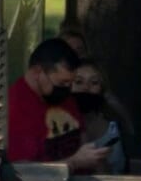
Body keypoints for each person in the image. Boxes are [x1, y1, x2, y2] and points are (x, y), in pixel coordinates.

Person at [6, 36, 106, 170]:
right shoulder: (14, 108)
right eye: (62, 83)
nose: (67, 88)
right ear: (37, 72)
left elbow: (81, 136)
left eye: (71, 83)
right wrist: (73, 163)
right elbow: (20, 171)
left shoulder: (61, 96)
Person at [70, 60, 134, 176]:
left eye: (94, 82)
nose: (86, 88)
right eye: (78, 82)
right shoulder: (56, 127)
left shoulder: (114, 130)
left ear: (102, 89)